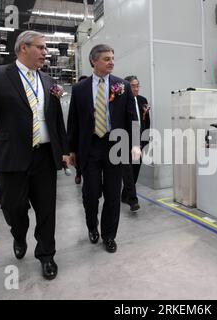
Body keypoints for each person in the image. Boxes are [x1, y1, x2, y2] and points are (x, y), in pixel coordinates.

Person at [0, 30, 70, 280]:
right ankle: (19, 235)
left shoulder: (49, 80)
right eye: (40, 47)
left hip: (44, 156)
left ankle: (46, 255)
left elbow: (55, 121)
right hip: (12, 156)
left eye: (45, 48)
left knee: (46, 210)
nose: (45, 52)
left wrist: (63, 151)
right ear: (23, 48)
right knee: (13, 207)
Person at [67, 44, 141, 253]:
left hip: (114, 146)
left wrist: (135, 143)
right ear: (94, 61)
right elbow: (73, 121)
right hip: (89, 148)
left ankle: (109, 235)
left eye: (113, 58)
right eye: (107, 58)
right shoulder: (80, 89)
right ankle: (92, 226)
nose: (112, 62)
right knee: (91, 194)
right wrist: (71, 150)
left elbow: (132, 118)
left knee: (112, 194)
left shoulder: (122, 86)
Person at [121, 75, 151, 212]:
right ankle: (133, 200)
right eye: (133, 86)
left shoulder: (142, 100)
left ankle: (124, 194)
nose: (136, 88)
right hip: (125, 140)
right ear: (127, 87)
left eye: (137, 85)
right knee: (127, 170)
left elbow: (146, 121)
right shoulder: (120, 101)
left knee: (135, 170)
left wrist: (145, 137)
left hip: (139, 140)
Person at [73, 75, 88, 185]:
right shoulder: (77, 96)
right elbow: (72, 121)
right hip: (79, 135)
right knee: (79, 157)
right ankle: (78, 174)